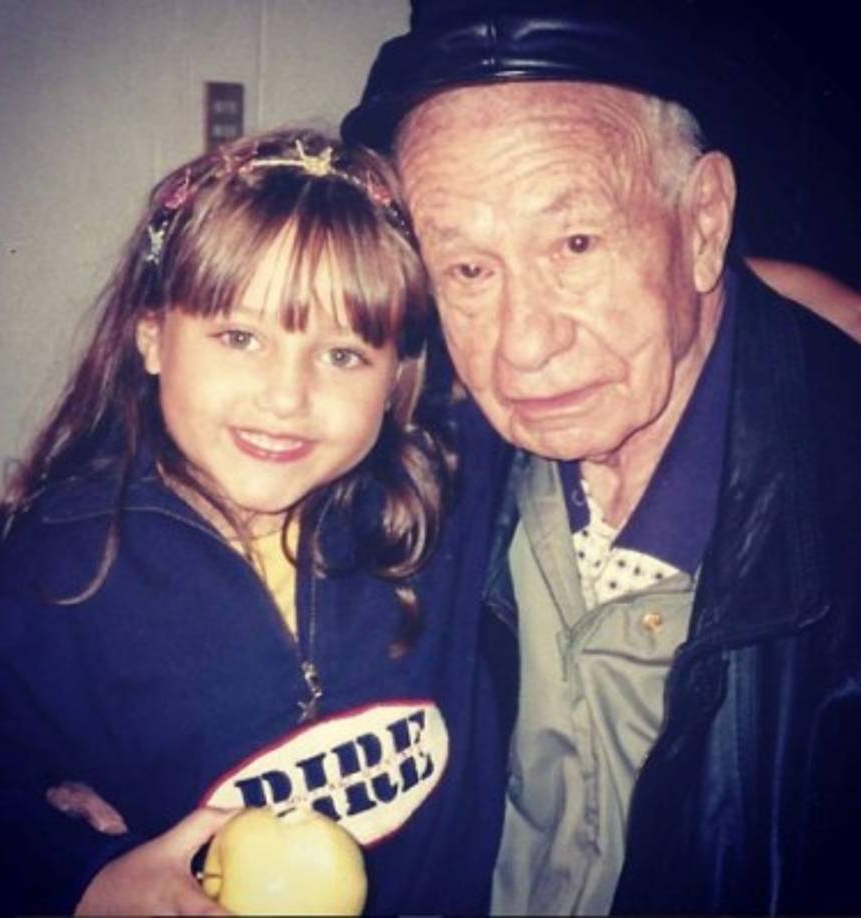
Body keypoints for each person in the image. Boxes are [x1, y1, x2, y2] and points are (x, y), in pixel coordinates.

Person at [341, 2, 861, 914]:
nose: (524, 345)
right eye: (468, 269)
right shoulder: (429, 450)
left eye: (576, 244)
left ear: (704, 223)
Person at [0, 129, 509, 914]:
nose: (286, 397)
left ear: (397, 377)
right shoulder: (48, 579)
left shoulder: (450, 493)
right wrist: (75, 875)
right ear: (152, 335)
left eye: (344, 355)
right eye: (240, 337)